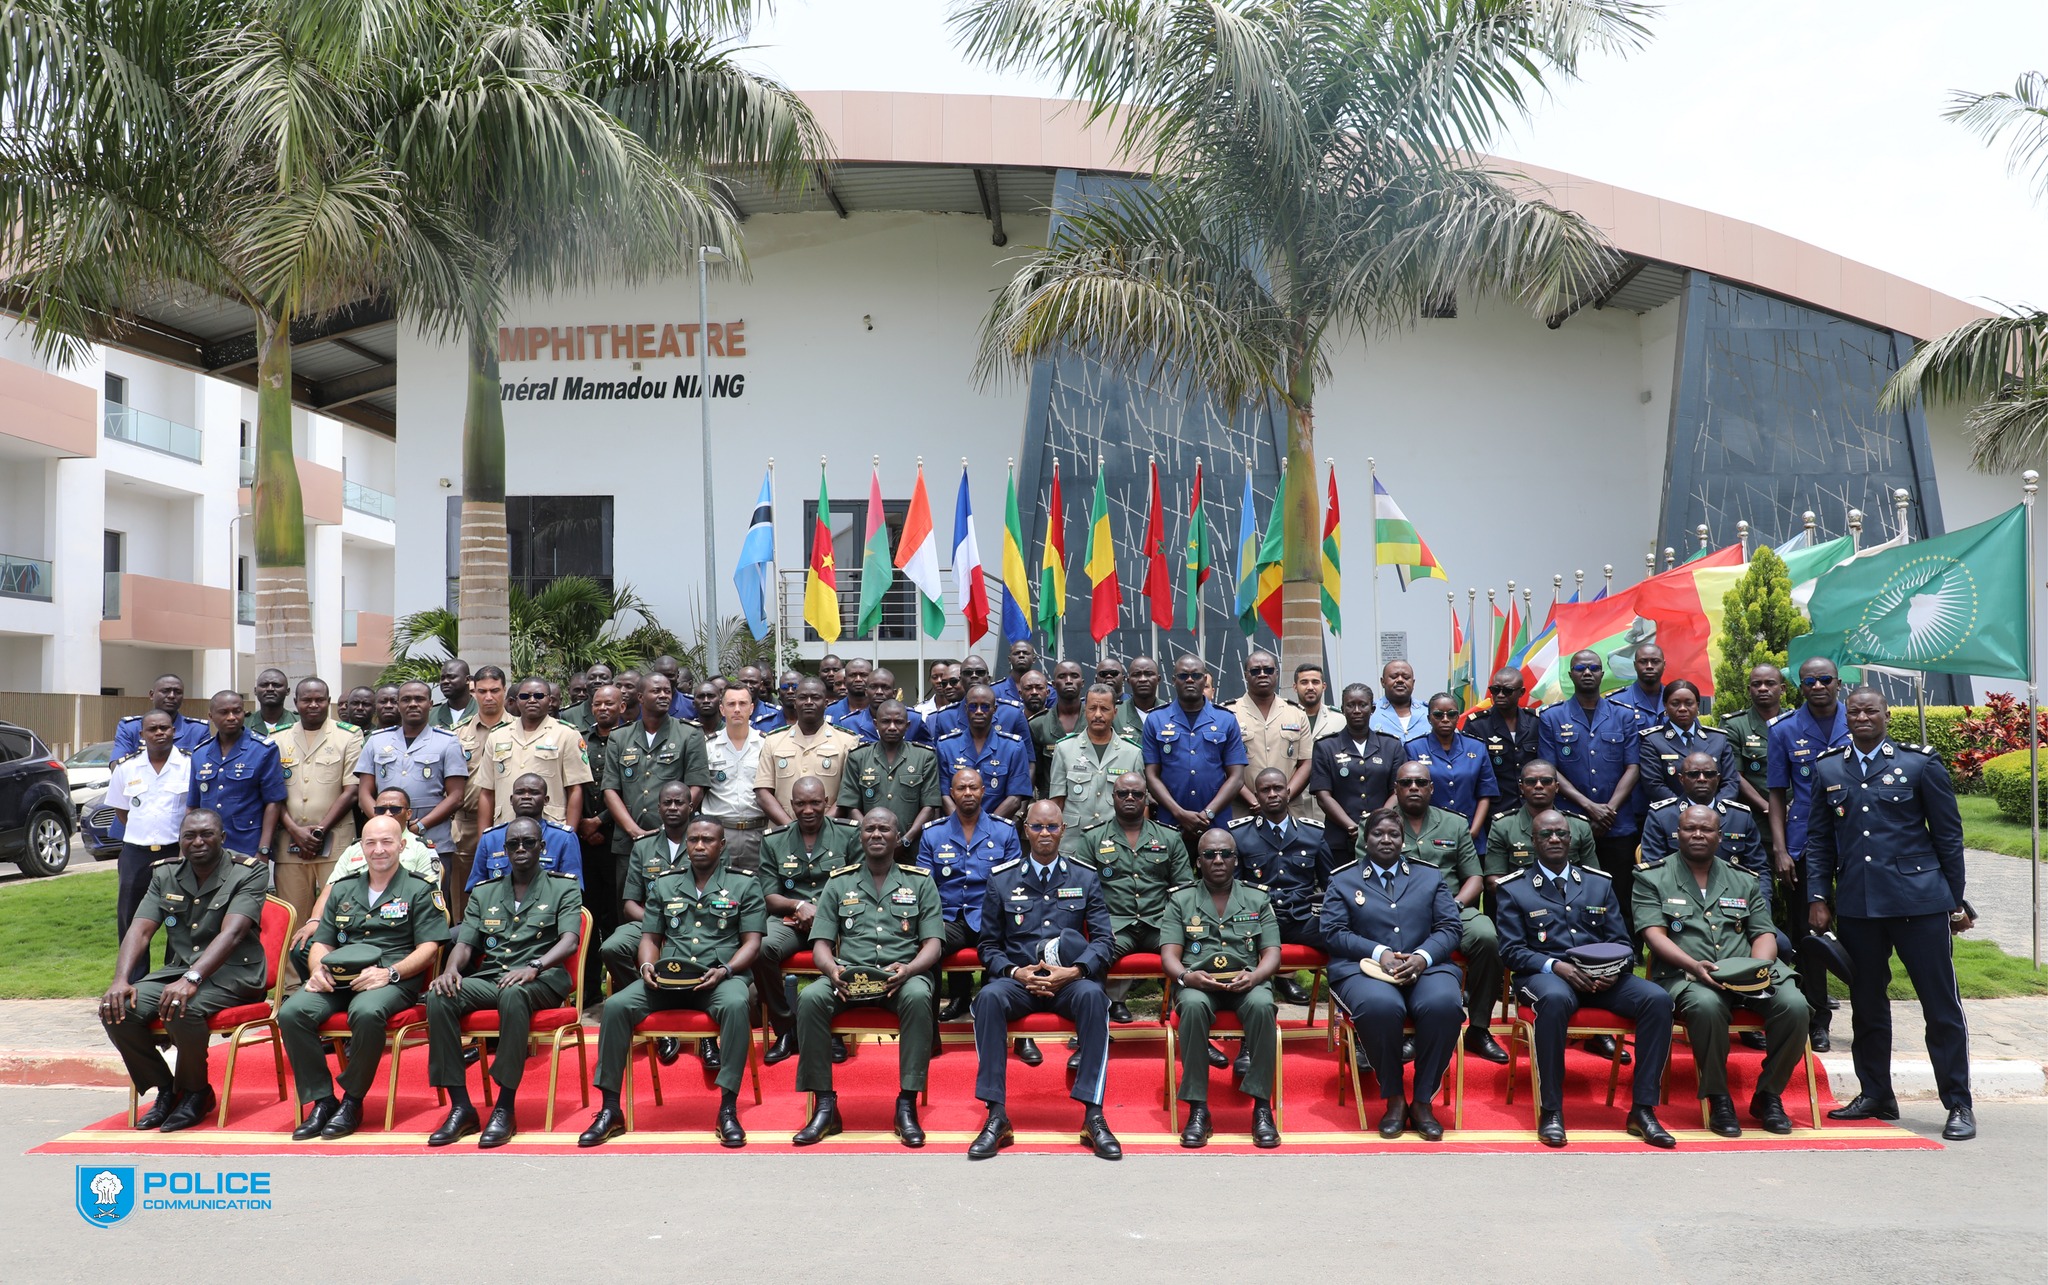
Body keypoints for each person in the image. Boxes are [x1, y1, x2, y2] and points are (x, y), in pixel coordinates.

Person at [1804, 686, 1975, 1141]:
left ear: (1885, 716)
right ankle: (1876, 1092)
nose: (1862, 717)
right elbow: (1820, 842)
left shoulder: (1919, 763)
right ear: (1847, 716)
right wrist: (1818, 897)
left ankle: (1958, 1102)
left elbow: (1948, 836)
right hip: (1860, 906)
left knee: (1940, 1006)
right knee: (1868, 1006)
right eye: (1855, 711)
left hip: (1919, 903)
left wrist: (1951, 899)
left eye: (1871, 710)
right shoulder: (1828, 768)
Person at [579, 818, 763, 1149]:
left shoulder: (744, 885)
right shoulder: (665, 885)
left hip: (719, 978)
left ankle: (727, 1108)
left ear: (722, 846)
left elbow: (752, 943)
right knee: (618, 1005)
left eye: (708, 840)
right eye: (693, 840)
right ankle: (609, 1109)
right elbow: (650, 937)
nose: (699, 845)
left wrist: (726, 969)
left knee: (737, 1005)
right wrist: (647, 964)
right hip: (670, 979)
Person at [1496, 810, 1675, 1149]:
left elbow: (1623, 944)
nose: (1554, 839)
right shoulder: (1514, 888)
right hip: (1548, 976)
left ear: (1572, 840)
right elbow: (1511, 951)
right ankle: (1551, 1109)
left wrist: (1611, 971)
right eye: (1546, 834)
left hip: (1602, 979)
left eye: (1561, 834)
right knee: (1555, 999)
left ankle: (1643, 1110)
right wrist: (1555, 966)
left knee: (1657, 1000)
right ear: (1534, 842)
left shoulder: (1598, 882)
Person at [1639, 805, 1811, 1137]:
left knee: (1795, 1006)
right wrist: (1693, 966)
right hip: (1687, 974)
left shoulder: (1743, 879)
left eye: (1706, 829)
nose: (1698, 834)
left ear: (1721, 836)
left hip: (1749, 973)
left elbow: (1762, 932)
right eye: (1690, 829)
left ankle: (1768, 1095)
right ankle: (1719, 1097)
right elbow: (1653, 936)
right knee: (1707, 1007)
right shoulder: (1652, 877)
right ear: (1678, 834)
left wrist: (1756, 971)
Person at [279, 815, 450, 1141]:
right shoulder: (344, 888)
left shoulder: (418, 888)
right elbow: (323, 942)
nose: (378, 849)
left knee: (367, 1012)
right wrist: (317, 970)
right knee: (292, 1012)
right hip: (340, 976)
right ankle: (322, 1100)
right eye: (370, 842)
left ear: (401, 845)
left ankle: (352, 1100)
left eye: (386, 842)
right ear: (361, 848)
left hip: (392, 977)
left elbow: (430, 946)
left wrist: (390, 973)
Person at [968, 801, 1121, 1161]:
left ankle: (1093, 1116)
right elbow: (988, 945)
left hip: (1068, 982)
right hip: (1020, 982)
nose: (1045, 834)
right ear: (1026, 830)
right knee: (988, 998)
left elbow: (1103, 940)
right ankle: (996, 1115)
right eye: (1037, 827)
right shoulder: (1002, 878)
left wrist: (1075, 971)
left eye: (1052, 827)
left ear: (1063, 829)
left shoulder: (1084, 876)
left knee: (1095, 998)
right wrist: (1015, 972)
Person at [98, 809, 268, 1132]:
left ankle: (195, 1092)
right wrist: (120, 980)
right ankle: (166, 1089)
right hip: (179, 972)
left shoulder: (248, 872)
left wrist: (191, 978)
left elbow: (231, 934)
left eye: (206, 834)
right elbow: (141, 929)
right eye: (189, 836)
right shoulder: (165, 874)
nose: (198, 842)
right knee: (115, 1009)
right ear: (180, 841)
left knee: (180, 1005)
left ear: (223, 838)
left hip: (235, 973)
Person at [424, 817, 583, 1148]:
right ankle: (460, 1107)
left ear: (542, 847)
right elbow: (465, 943)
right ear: (504, 850)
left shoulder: (563, 887)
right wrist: (451, 968)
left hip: (543, 979)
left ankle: (504, 1107)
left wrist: (535, 966)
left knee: (514, 994)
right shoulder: (485, 892)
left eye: (528, 843)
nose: (521, 849)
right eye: (513, 844)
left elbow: (569, 941)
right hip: (495, 977)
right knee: (440, 995)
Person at [791, 809, 944, 1148]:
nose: (876, 834)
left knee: (921, 996)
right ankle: (825, 1106)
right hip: (848, 976)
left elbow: (933, 943)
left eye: (884, 829)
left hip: (900, 978)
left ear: (897, 835)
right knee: (811, 997)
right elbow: (820, 946)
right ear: (860, 836)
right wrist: (832, 971)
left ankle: (906, 1104)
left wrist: (911, 969)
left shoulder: (920, 881)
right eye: (869, 829)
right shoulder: (839, 882)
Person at [1321, 808, 1464, 1140]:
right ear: (1365, 838)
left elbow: (1449, 927)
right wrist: (1378, 952)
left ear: (1403, 841)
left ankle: (1423, 1100)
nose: (1386, 840)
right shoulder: (1343, 880)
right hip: (1364, 970)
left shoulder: (1428, 876)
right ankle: (1395, 1098)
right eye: (1378, 834)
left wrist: (1423, 956)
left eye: (1394, 835)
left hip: (1425, 967)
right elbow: (1332, 931)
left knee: (1443, 1004)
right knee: (1382, 1008)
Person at [1162, 828, 1283, 1149]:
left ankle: (1261, 1109)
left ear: (1236, 859)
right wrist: (1187, 977)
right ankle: (1198, 1110)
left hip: (1246, 982)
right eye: (1210, 855)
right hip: (1199, 983)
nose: (1218, 860)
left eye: (1226, 854)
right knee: (1191, 1005)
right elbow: (1169, 955)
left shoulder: (1258, 898)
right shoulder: (1180, 899)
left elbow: (1272, 952)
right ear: (1198, 861)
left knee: (1260, 1005)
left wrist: (1256, 977)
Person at [1389, 761, 1507, 1063]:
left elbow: (1475, 878)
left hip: (1451, 909)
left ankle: (1479, 1028)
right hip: (1397, 912)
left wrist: (1453, 906)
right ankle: (1410, 1030)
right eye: (1405, 783)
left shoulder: (1454, 824)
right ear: (1396, 789)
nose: (1413, 788)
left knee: (1486, 936)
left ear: (1431, 788)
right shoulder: (1380, 825)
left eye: (1419, 783)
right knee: (1405, 937)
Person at [1767, 655, 1850, 1049]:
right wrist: (1781, 850)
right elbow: (1776, 795)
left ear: (1838, 682)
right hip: (1804, 844)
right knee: (1810, 935)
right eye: (1808, 681)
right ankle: (1819, 1017)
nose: (1817, 686)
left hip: (1855, 843)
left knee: (1859, 929)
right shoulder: (1784, 730)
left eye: (1824, 679)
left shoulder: (1860, 720)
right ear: (1798, 686)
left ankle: (1868, 1004)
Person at [755, 777, 861, 1064]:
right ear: (791, 805)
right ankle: (786, 1028)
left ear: (827, 803)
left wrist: (823, 913)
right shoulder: (774, 840)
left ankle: (833, 1030)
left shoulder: (848, 835)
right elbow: (768, 896)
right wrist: (799, 905)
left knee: (855, 948)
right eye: (800, 803)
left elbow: (858, 886)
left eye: (815, 802)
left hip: (838, 922)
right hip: (789, 920)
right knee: (761, 948)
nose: (808, 810)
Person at [288, 789, 444, 981]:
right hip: (351, 929)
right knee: (303, 947)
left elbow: (430, 897)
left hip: (395, 933)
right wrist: (314, 921)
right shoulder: (356, 847)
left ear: (408, 813)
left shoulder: (421, 848)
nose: (387, 814)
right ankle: (323, 987)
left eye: (395, 809)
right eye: (380, 809)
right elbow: (331, 889)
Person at [1537, 650, 1643, 917]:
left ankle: (1624, 944)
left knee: (1620, 887)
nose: (1587, 673)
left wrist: (1608, 810)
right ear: (1570, 674)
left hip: (1617, 821)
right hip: (1571, 820)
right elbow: (1550, 770)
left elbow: (1633, 767)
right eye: (1580, 668)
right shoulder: (1552, 717)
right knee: (1573, 890)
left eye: (1593, 668)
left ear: (1602, 673)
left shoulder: (1624, 716)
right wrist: (1589, 807)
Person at [1083, 771, 1193, 1024]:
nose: (1129, 798)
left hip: (1159, 924)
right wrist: (1100, 928)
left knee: (1191, 955)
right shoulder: (1093, 838)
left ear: (1147, 798)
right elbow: (1084, 893)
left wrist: (1177, 926)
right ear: (1113, 798)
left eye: (1137, 794)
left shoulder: (1169, 837)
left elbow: (1185, 889)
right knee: (1092, 961)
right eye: (1123, 793)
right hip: (1116, 926)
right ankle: (1093, 1022)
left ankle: (1185, 1014)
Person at [273, 679, 365, 971]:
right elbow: (272, 792)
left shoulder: (349, 736)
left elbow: (352, 790)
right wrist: (294, 830)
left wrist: (320, 830)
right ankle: (290, 985)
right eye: (306, 700)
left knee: (338, 913)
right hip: (289, 842)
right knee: (293, 916)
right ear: (295, 702)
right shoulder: (277, 737)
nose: (313, 705)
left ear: (330, 702)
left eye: (320, 700)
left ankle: (337, 974)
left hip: (335, 840)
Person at [355, 680, 469, 911]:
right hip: (384, 841)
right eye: (406, 699)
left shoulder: (447, 742)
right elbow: (364, 792)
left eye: (419, 699)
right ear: (398, 704)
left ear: (431, 703)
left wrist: (420, 827)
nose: (413, 704)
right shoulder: (377, 741)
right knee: (384, 902)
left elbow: (456, 796)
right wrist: (383, 823)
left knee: (432, 905)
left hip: (432, 840)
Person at [919, 769, 1022, 1025]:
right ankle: (927, 1029)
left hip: (990, 916)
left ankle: (1004, 1017)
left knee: (1014, 944)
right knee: (925, 949)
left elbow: (1013, 883)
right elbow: (924, 885)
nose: (968, 793)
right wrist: (932, 921)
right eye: (961, 788)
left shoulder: (1004, 832)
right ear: (952, 793)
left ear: (983, 791)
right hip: (948, 918)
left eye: (973, 788)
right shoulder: (933, 833)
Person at [1230, 768, 1334, 1007]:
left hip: (1303, 919)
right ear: (1256, 796)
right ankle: (1252, 1006)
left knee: (1343, 937)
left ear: (1288, 792)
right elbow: (1233, 887)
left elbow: (1331, 883)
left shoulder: (1313, 833)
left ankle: (1346, 1008)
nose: (1272, 794)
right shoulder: (1240, 834)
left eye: (1278, 788)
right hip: (1259, 920)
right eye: (1265, 790)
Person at [107, 710, 194, 980]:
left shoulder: (189, 765)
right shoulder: (126, 768)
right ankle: (133, 981)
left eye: (165, 728)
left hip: (175, 852)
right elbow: (123, 812)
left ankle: (174, 977)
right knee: (131, 918)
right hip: (137, 854)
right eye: (153, 729)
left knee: (179, 918)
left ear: (174, 731)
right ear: (142, 735)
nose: (159, 733)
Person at [602, 672, 711, 867]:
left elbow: (697, 786)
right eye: (656, 691)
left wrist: (668, 827)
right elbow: (610, 790)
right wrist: (634, 831)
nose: (664, 695)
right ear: (641, 697)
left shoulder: (689, 734)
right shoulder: (619, 737)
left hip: (676, 840)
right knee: (629, 896)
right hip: (629, 841)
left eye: (667, 691)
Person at [1142, 654, 1249, 843]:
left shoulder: (1226, 719)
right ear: (1174, 680)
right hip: (1170, 821)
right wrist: (1179, 813)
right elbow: (1151, 775)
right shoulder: (1156, 719)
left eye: (1196, 676)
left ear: (1204, 680)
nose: (1190, 680)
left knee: (1216, 871)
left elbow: (1237, 777)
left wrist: (1208, 814)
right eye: (1183, 676)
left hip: (1215, 823)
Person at [473, 677, 593, 832]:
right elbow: (487, 792)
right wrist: (484, 838)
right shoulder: (497, 736)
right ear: (516, 701)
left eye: (538, 696)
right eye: (524, 696)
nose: (531, 700)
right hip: (505, 827)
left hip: (551, 829)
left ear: (549, 700)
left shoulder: (567, 734)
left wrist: (569, 834)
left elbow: (575, 790)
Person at [187, 690, 288, 863]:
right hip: (206, 846)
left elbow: (274, 802)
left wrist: (263, 848)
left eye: (237, 711)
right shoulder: (200, 753)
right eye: (224, 712)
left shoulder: (263, 749)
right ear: (211, 716)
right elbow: (193, 805)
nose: (232, 717)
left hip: (246, 844)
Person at [837, 699, 942, 854]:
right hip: (869, 848)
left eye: (898, 722)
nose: (892, 727)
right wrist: (872, 836)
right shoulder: (858, 757)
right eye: (886, 722)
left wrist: (906, 839)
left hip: (911, 849)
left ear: (907, 726)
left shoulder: (924, 757)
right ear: (875, 724)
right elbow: (851, 806)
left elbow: (929, 806)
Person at [1047, 684, 1146, 848]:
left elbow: (1141, 807)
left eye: (1104, 709)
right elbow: (1057, 802)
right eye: (1092, 708)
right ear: (1085, 711)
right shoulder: (1064, 749)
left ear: (1115, 712)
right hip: (1073, 843)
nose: (1098, 715)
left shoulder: (1132, 753)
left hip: (1116, 843)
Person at [756, 677, 861, 830]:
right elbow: (763, 792)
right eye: (803, 697)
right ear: (795, 702)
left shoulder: (847, 742)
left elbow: (848, 795)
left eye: (815, 697)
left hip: (831, 834)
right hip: (783, 834)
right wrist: (792, 828)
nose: (809, 702)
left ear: (826, 703)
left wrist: (822, 828)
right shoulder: (773, 740)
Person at [1307, 683, 1406, 842]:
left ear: (1372, 709)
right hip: (1340, 837)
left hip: (1384, 837)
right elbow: (1323, 796)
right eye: (1351, 705)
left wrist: (1376, 826)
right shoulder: (1325, 746)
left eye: (1363, 705)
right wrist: (1352, 827)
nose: (1357, 711)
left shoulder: (1391, 746)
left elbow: (1397, 792)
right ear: (1342, 709)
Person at [448, 665, 510, 909]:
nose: (488, 697)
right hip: (467, 824)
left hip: (508, 818)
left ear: (504, 690)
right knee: (465, 893)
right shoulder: (456, 734)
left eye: (495, 690)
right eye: (482, 691)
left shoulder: (519, 729)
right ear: (473, 692)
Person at [1225, 650, 1314, 821]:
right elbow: (1223, 767)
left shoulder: (1296, 713)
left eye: (1268, 670)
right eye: (1255, 671)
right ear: (1245, 675)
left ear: (1277, 673)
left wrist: (1284, 797)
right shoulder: (1229, 714)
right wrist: (1253, 800)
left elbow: (1306, 763)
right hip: (1244, 810)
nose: (1262, 674)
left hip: (1289, 810)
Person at [1404, 692, 1500, 845]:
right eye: (1438, 715)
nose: (1445, 719)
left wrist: (1474, 831)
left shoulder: (1476, 747)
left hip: (1470, 835)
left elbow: (1485, 794)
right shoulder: (1413, 748)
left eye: (1451, 714)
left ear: (1458, 717)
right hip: (1427, 835)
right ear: (1429, 719)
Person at [1460, 668, 1543, 833]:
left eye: (1507, 691)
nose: (1500, 695)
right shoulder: (1477, 724)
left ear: (1521, 692)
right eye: (1495, 690)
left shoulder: (1536, 721)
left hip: (1534, 808)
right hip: (1495, 811)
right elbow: (1473, 772)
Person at [933, 684, 1033, 819]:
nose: (979, 711)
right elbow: (943, 794)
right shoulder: (946, 746)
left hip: (997, 830)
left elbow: (1015, 799)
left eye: (985, 706)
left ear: (994, 709)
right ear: (966, 709)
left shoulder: (1013, 747)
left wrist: (986, 827)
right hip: (955, 830)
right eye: (973, 706)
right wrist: (962, 824)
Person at [1484, 759, 1595, 879]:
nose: (1538, 786)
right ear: (1521, 787)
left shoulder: (1579, 826)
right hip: (1521, 896)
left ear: (1557, 787)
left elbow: (1592, 877)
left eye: (1546, 781)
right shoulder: (1503, 826)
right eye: (1531, 781)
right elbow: (1494, 879)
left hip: (1570, 895)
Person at [469, 773, 582, 888]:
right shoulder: (490, 838)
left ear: (546, 800)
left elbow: (572, 888)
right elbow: (476, 888)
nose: (526, 796)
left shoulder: (563, 838)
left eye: (534, 792)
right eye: (520, 792)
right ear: (511, 800)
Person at [1635, 680, 1738, 805]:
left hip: (1716, 817)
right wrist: (1687, 810)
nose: (1682, 709)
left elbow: (1731, 781)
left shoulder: (1718, 739)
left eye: (1689, 703)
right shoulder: (1653, 741)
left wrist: (1713, 809)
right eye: (1675, 703)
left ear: (1697, 705)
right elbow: (1654, 785)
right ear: (1665, 706)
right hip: (1672, 816)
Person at [703, 684, 770, 873]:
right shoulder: (707, 746)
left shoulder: (767, 745)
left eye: (743, 703)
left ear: (752, 708)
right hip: (721, 833)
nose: (737, 709)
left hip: (758, 832)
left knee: (758, 891)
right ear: (722, 709)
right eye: (731, 704)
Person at [1714, 663, 1784, 813]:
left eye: (1770, 683)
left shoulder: (1795, 722)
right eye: (1756, 684)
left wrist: (1793, 807)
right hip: (1753, 815)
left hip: (1795, 815)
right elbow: (1733, 774)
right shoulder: (1734, 725)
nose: (1763, 688)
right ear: (1749, 690)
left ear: (1782, 689)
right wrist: (1768, 808)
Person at [111, 673, 212, 758]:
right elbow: (118, 765)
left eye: (178, 692)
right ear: (151, 695)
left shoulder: (198, 730)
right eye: (165, 691)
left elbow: (204, 766)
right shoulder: (130, 727)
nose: (172, 696)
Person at [1027, 661, 1088, 796]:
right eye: (1062, 677)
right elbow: (1036, 771)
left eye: (1074, 676)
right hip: (1052, 800)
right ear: (1053, 685)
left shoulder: (1094, 721)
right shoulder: (1038, 724)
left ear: (1082, 683)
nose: (1068, 681)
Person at [838, 667, 934, 746]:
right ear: (866, 692)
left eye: (885, 687)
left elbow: (927, 755)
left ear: (894, 693)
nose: (879, 692)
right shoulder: (849, 723)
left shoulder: (914, 719)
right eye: (873, 687)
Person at [1367, 660, 1425, 742]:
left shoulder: (1429, 712)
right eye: (1394, 677)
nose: (1400, 680)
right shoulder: (1369, 713)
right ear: (1383, 682)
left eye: (1406, 677)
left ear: (1413, 683)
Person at [1112, 655, 1164, 739]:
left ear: (1158, 679)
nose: (1143, 679)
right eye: (1136, 674)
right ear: (1128, 681)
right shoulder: (1115, 714)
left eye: (1149, 674)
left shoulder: (1170, 713)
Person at [1292, 662, 1346, 743]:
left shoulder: (1340, 719)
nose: (1310, 687)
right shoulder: (1284, 718)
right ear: (1295, 687)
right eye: (1304, 682)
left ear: (1323, 687)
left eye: (1315, 682)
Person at [556, 662, 611, 733]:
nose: (597, 681)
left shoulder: (620, 712)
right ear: (586, 684)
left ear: (612, 683)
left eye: (603, 678)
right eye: (592, 678)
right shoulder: (570, 715)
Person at [822, 656, 873, 726]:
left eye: (863, 675)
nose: (858, 679)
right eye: (853, 675)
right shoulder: (830, 711)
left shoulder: (881, 710)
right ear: (845, 680)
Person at [990, 640, 1040, 710]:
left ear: (1034, 659)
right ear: (1009, 659)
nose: (1021, 656)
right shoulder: (994, 690)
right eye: (1016, 653)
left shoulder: (1046, 689)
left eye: (1026, 653)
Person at [738, 665, 787, 734]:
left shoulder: (775, 714)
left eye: (753, 682)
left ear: (760, 685)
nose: (748, 686)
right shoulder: (727, 712)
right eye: (744, 682)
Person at [429, 658, 477, 728]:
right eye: (442, 678)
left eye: (451, 677)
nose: (445, 681)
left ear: (467, 680)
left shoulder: (482, 712)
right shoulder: (430, 715)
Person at [252, 667, 297, 735]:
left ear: (287, 691)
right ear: (255, 691)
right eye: (264, 685)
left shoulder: (300, 722)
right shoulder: (243, 723)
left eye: (277, 685)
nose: (270, 689)